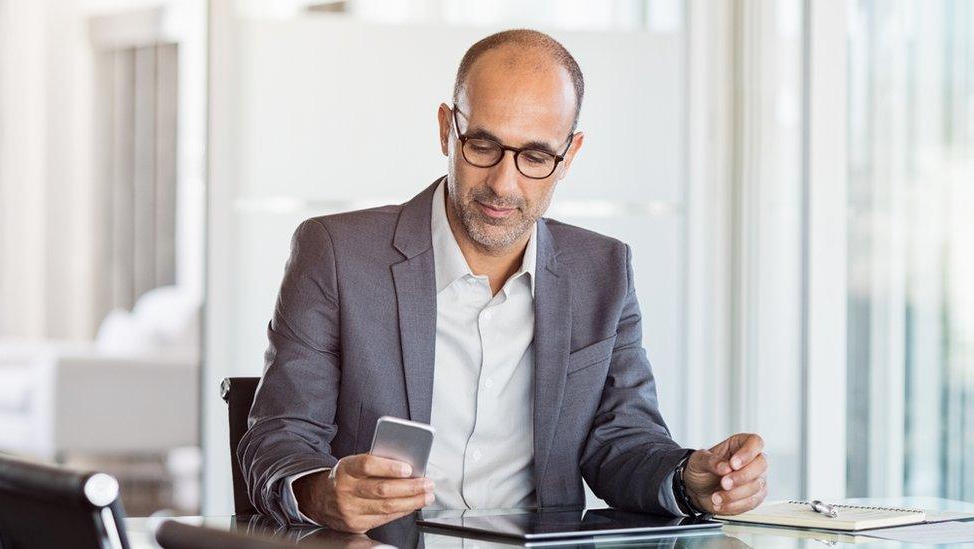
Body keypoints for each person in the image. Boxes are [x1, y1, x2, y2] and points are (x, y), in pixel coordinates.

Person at [239, 29, 768, 534]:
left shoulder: (602, 270)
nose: (502, 183)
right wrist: (319, 490)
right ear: (447, 128)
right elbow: (279, 437)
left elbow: (622, 442)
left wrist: (688, 478)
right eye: (483, 146)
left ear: (570, 156)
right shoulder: (336, 254)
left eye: (535, 156)